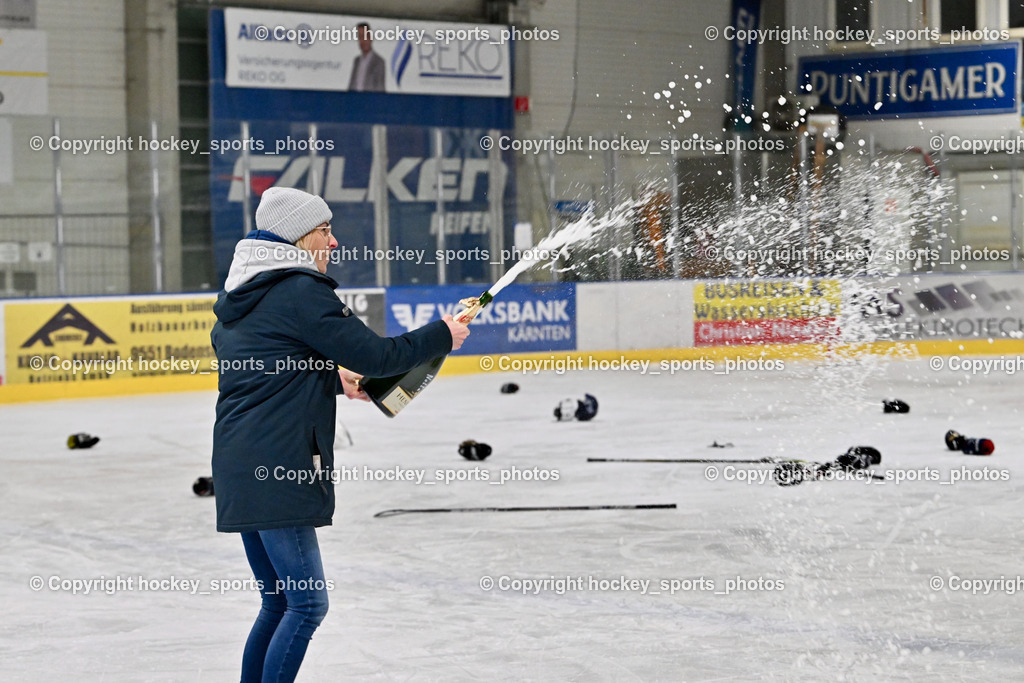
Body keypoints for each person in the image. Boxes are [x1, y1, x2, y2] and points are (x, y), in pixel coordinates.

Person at [211, 186, 469, 682]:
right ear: (296, 237)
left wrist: (333, 379)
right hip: (278, 468)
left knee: (278, 603)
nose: (334, 242)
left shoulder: (245, 293)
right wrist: (442, 334)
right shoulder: (299, 290)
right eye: (325, 230)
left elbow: (262, 369)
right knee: (306, 604)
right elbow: (378, 358)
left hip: (239, 465)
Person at [348, 22, 385, 92]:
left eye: (365, 36)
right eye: (360, 37)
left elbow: (380, 89)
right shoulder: (357, 61)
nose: (363, 41)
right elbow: (351, 86)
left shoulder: (379, 62)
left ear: (370, 37)